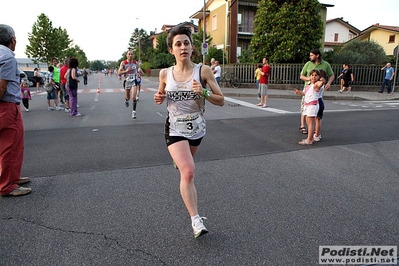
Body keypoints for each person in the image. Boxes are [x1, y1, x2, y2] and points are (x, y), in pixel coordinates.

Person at [153, 25, 224, 238]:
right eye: (178, 44)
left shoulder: (203, 71)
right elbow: (160, 95)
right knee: (189, 171)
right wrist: (159, 98)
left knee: (186, 168)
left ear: (192, 47)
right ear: (171, 50)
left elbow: (220, 100)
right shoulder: (165, 73)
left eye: (186, 43)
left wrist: (202, 91)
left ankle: (179, 161)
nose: (183, 47)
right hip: (174, 128)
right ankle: (196, 220)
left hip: (196, 129)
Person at [0, 24, 32, 197]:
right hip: (7, 106)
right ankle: (7, 185)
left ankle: (12, 177)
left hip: (6, 106)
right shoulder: (7, 57)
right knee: (10, 146)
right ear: (12, 40)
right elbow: (2, 86)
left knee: (10, 146)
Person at [299, 49, 334, 134]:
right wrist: (310, 79)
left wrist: (328, 83)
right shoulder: (308, 64)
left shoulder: (325, 64)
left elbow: (332, 75)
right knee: (304, 108)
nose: (310, 57)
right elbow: (301, 76)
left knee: (315, 109)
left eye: (311, 55)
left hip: (317, 91)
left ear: (317, 55)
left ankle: (314, 130)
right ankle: (303, 126)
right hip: (308, 89)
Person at [294, 69, 324, 145]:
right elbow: (305, 93)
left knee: (310, 123)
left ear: (318, 77)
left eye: (316, 75)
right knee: (308, 122)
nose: (313, 77)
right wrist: (299, 92)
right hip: (307, 104)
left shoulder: (316, 85)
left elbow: (320, 84)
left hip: (312, 105)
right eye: (312, 75)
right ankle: (310, 138)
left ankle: (310, 139)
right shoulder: (309, 84)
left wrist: (322, 80)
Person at [118, 50, 139, 119]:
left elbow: (137, 70)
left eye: (132, 54)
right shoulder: (123, 63)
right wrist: (126, 71)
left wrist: (138, 74)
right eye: (129, 54)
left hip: (134, 81)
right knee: (128, 97)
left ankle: (134, 112)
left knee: (134, 97)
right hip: (127, 81)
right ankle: (126, 100)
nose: (130, 55)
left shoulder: (135, 63)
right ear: (126, 55)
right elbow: (119, 72)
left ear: (133, 55)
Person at [313, 69, 327, 142]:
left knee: (317, 119)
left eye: (316, 75)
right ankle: (317, 133)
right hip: (320, 100)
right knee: (318, 119)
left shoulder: (320, 83)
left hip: (318, 100)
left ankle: (317, 135)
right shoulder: (320, 83)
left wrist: (322, 81)